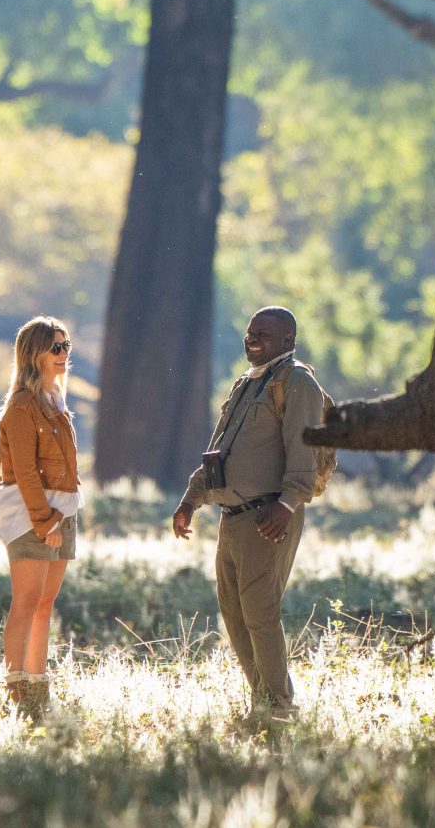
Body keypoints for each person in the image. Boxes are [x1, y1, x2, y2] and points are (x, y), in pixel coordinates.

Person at [170, 305, 332, 723]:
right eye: (249, 332)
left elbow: (304, 452)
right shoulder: (246, 383)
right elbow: (218, 452)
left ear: (288, 341)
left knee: (260, 612)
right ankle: (262, 700)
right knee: (233, 610)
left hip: (269, 517)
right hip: (232, 517)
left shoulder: (298, 382)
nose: (252, 339)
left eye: (263, 333)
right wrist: (190, 500)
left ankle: (279, 709)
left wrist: (287, 504)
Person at [0, 315, 80, 716]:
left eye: (66, 346)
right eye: (55, 348)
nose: (64, 354)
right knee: (26, 602)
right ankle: (16, 688)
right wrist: (45, 523)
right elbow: (25, 472)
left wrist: (60, 517)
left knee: (45, 603)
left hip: (63, 511)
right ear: (34, 354)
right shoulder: (22, 406)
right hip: (32, 515)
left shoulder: (55, 399)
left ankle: (37, 687)